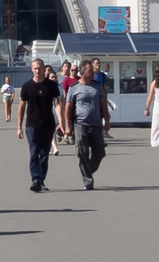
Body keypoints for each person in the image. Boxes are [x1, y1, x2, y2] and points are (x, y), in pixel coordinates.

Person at [15, 56, 61, 193]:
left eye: (40, 68)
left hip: (48, 123)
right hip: (32, 124)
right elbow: (22, 106)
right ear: (31, 69)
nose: (38, 70)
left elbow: (57, 103)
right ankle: (35, 179)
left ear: (44, 69)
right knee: (34, 151)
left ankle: (41, 179)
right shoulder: (27, 86)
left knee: (44, 153)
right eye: (35, 68)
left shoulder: (51, 85)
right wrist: (19, 127)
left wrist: (61, 121)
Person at [66, 56, 109, 191]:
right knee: (82, 151)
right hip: (80, 124)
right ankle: (87, 181)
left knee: (100, 153)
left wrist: (106, 121)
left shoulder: (97, 86)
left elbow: (103, 104)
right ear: (83, 72)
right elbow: (68, 107)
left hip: (96, 124)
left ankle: (87, 171)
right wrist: (67, 125)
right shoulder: (75, 88)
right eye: (90, 70)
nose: (93, 73)